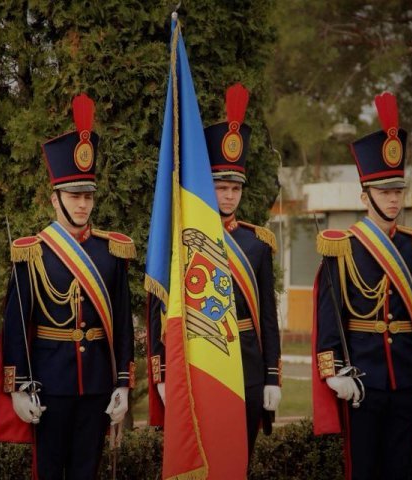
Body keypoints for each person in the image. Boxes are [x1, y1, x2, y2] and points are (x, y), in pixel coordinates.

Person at [0, 93, 135, 480]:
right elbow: (17, 326)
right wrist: (18, 387)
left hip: (97, 384)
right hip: (49, 383)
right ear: (56, 200)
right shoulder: (32, 253)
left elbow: (120, 322)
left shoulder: (112, 251)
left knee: (87, 470)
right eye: (74, 196)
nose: (83, 205)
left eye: (88, 196)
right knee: (49, 471)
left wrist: (122, 383)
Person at [148, 83, 282, 460]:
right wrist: (162, 372)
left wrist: (273, 376)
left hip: (249, 366)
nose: (228, 196)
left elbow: (267, 319)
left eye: (234, 188)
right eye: (221, 187)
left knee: (241, 458)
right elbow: (163, 309)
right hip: (203, 361)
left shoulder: (258, 243)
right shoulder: (185, 240)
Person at [312, 92, 412, 480]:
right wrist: (333, 372)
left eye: (397, 190)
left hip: (405, 378)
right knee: (363, 468)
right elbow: (329, 316)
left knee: (400, 468)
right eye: (384, 191)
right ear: (364, 195)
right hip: (362, 379)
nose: (393, 198)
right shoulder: (342, 247)